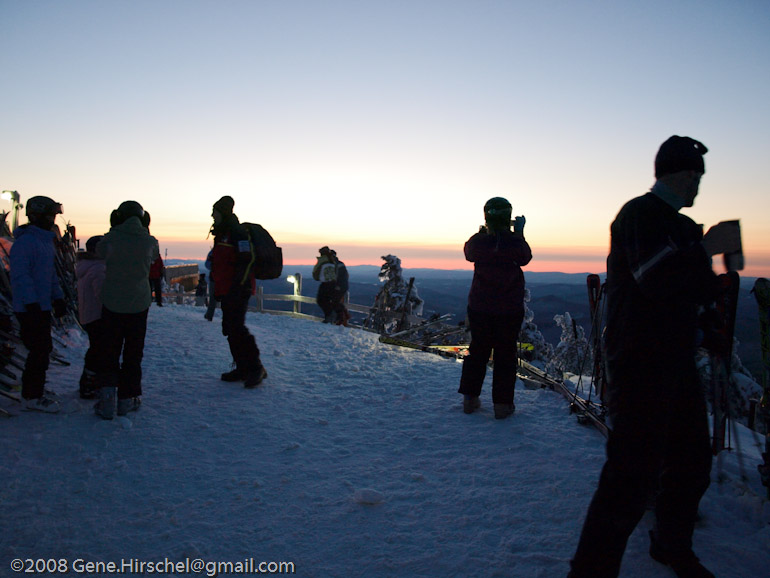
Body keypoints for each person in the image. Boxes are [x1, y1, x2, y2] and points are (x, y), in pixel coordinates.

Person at [568, 137, 742, 578]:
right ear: (676, 174)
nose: (697, 185)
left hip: (675, 359)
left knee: (691, 461)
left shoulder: (682, 227)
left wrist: (708, 324)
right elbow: (654, 277)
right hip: (639, 361)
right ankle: (590, 571)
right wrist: (706, 248)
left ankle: (670, 544)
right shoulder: (639, 214)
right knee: (630, 473)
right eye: (694, 176)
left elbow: (691, 289)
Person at [458, 197, 532, 419]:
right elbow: (525, 257)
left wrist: (483, 232)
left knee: (477, 351)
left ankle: (470, 399)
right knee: (505, 354)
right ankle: (502, 405)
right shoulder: (513, 243)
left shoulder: (480, 242)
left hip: (480, 306)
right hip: (509, 308)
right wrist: (519, 234)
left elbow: (469, 252)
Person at [94, 201, 160, 419]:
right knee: (133, 353)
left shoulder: (110, 239)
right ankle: (127, 399)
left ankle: (106, 399)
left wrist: (114, 230)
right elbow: (154, 258)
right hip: (139, 304)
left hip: (112, 303)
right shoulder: (150, 242)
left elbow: (99, 252)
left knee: (109, 351)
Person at [9, 196, 66, 413]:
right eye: (50, 216)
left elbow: (50, 275)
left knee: (42, 349)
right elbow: (21, 276)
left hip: (41, 306)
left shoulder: (44, 242)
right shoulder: (25, 243)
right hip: (29, 308)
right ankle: (31, 396)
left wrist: (58, 298)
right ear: (37, 216)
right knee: (38, 350)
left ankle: (35, 389)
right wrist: (31, 303)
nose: (53, 220)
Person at [209, 195, 267, 388]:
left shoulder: (237, 232)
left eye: (215, 212)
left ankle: (256, 367)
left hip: (238, 289)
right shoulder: (223, 233)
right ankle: (243, 367)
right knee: (230, 328)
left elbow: (246, 260)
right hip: (227, 289)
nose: (212, 216)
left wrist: (238, 286)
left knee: (237, 328)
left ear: (223, 213)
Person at [75, 235, 106, 399]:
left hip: (89, 315)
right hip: (97, 316)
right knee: (98, 351)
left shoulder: (87, 266)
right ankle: (90, 383)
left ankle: (89, 382)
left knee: (95, 349)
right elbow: (103, 295)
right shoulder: (98, 269)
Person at [313, 246, 339, 323]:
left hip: (325, 284)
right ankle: (330, 316)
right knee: (328, 300)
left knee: (321, 300)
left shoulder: (322, 261)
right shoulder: (332, 261)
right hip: (333, 283)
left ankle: (329, 316)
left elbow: (315, 273)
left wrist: (319, 277)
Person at [144, 211, 164, 307]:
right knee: (156, 289)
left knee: (149, 289)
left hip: (150, 274)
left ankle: (150, 301)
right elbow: (160, 263)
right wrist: (161, 271)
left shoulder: (146, 254)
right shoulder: (156, 255)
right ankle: (158, 301)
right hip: (155, 274)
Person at [331, 250, 351, 326]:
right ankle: (343, 318)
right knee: (337, 303)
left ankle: (341, 319)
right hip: (342, 286)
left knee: (336, 303)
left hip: (339, 287)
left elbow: (341, 276)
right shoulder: (339, 264)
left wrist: (338, 285)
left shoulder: (336, 265)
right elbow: (346, 275)